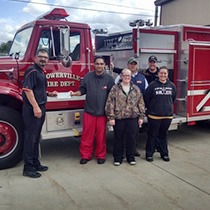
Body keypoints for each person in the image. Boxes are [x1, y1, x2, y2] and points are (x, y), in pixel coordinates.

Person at [70, 56, 114, 165]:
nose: (99, 66)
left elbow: (112, 96)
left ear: (104, 65)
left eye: (101, 64)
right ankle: (86, 155)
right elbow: (83, 89)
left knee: (101, 136)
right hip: (89, 111)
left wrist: (111, 113)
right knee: (87, 135)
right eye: (97, 64)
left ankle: (101, 155)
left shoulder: (109, 79)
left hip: (102, 113)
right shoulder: (88, 77)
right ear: (94, 65)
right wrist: (77, 93)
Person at [22, 49, 57, 178]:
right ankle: (28, 168)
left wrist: (48, 93)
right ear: (36, 57)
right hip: (33, 110)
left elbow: (37, 89)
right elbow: (27, 89)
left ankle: (35, 163)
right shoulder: (33, 71)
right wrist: (36, 107)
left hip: (39, 107)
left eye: (46, 57)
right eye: (41, 57)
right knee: (30, 138)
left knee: (36, 138)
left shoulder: (40, 72)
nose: (43, 59)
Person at [105, 68, 145, 166]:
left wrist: (141, 117)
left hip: (132, 117)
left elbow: (141, 103)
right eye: (125, 75)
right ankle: (118, 158)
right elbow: (110, 103)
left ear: (131, 77)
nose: (127, 77)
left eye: (129, 76)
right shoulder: (115, 89)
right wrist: (111, 117)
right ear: (121, 76)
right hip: (119, 118)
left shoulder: (135, 88)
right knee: (118, 138)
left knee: (131, 138)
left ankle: (131, 157)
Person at [114, 57, 148, 157]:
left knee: (134, 134)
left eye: (135, 64)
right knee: (121, 134)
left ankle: (132, 150)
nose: (133, 66)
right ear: (128, 65)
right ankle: (122, 152)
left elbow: (145, 94)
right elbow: (114, 93)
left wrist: (142, 110)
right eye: (131, 64)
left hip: (134, 112)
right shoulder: (119, 77)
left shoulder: (142, 78)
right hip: (121, 112)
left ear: (137, 66)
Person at [144, 66, 177, 162]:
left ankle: (164, 154)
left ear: (167, 75)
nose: (163, 75)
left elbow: (173, 98)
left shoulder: (172, 86)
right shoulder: (152, 85)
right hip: (154, 116)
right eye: (161, 73)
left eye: (165, 73)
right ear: (158, 74)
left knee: (163, 135)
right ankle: (149, 154)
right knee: (152, 135)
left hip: (167, 116)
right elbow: (147, 98)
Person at [142, 55, 160, 152]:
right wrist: (113, 68)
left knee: (157, 127)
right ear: (148, 63)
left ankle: (157, 146)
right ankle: (149, 146)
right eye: (151, 62)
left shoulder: (161, 73)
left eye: (154, 62)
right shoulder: (144, 73)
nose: (152, 64)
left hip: (158, 102)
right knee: (150, 126)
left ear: (156, 63)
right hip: (149, 102)